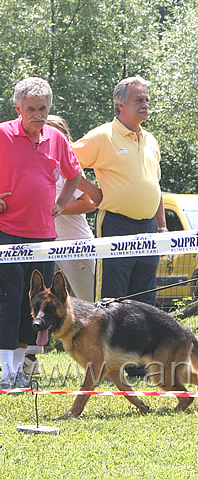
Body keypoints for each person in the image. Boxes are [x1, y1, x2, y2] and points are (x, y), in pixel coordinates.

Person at [0, 77, 81, 388]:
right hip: (6, 233)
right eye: (31, 108)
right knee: (8, 300)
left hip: (44, 236)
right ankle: (6, 373)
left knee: (33, 304)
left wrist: (61, 203)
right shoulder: (3, 134)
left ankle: (19, 370)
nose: (38, 114)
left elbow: (74, 176)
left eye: (43, 108)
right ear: (18, 108)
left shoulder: (56, 139)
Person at [72, 76, 168, 307]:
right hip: (116, 224)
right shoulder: (102, 135)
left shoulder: (150, 140)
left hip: (149, 228)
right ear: (120, 105)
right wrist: (91, 191)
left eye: (147, 99)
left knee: (145, 299)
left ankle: (141, 344)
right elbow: (66, 162)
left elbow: (155, 187)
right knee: (112, 300)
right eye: (138, 100)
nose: (145, 104)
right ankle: (109, 344)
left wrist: (162, 226)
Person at [47, 115, 97, 302]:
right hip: (46, 247)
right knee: (49, 309)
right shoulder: (34, 165)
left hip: (77, 246)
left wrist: (56, 209)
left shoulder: (70, 166)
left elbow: (89, 203)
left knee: (89, 304)